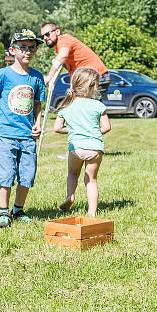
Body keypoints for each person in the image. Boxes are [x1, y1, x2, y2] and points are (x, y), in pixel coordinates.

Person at [0, 29, 46, 228]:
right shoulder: (3, 74)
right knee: (6, 174)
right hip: (5, 135)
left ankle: (18, 210)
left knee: (27, 175)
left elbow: (37, 103)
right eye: (23, 47)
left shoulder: (36, 77)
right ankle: (3, 212)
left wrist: (38, 122)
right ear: (12, 50)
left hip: (27, 136)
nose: (28, 51)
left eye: (32, 47)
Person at [53, 68, 111, 217]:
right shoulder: (98, 105)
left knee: (72, 174)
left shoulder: (67, 107)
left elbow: (57, 128)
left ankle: (70, 196)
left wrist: (72, 131)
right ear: (92, 86)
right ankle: (91, 212)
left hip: (76, 148)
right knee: (91, 179)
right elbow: (106, 127)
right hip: (95, 148)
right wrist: (92, 132)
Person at [41, 23, 109, 96]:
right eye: (43, 36)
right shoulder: (59, 48)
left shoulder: (64, 39)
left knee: (86, 104)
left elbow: (62, 56)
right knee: (84, 103)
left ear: (57, 32)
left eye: (47, 34)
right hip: (89, 78)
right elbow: (63, 65)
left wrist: (48, 77)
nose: (45, 38)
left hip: (95, 76)